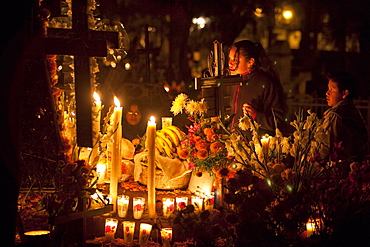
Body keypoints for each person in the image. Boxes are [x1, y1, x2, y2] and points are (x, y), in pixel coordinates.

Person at [228, 40, 288, 136]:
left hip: (255, 146)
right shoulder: (230, 82)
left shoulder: (266, 83)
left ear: (250, 62)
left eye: (235, 60)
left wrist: (256, 115)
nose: (230, 63)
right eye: (229, 59)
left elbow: (279, 121)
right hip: (232, 143)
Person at [321, 72, 368, 162]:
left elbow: (325, 148)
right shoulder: (353, 111)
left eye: (332, 89)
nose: (327, 93)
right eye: (328, 89)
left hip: (336, 169)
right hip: (353, 167)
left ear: (344, 93)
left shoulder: (335, 115)